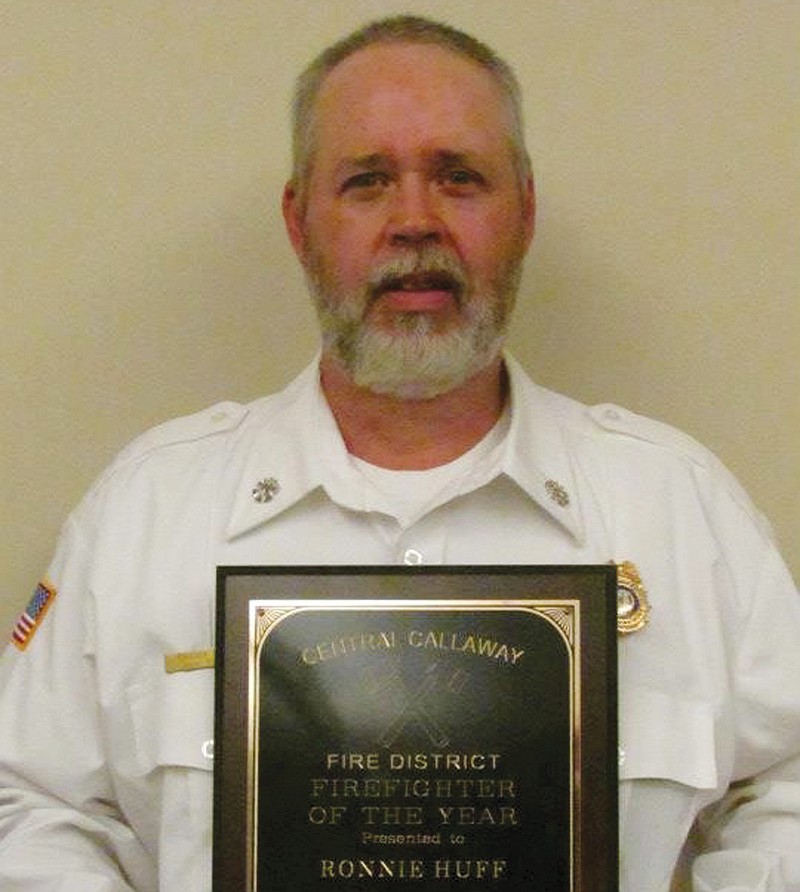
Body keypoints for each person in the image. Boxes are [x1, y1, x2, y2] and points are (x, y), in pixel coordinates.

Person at [0, 14, 798, 892]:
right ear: (300, 221)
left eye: (460, 179)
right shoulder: (148, 512)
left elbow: (788, 788)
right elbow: (35, 807)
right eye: (368, 181)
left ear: (524, 212)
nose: (414, 222)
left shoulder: (677, 507)